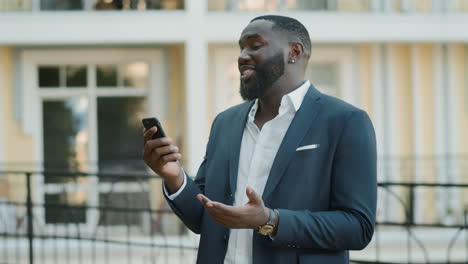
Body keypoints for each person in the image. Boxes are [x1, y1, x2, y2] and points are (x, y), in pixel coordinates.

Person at [143, 15, 377, 264]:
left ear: (294, 52)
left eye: (255, 45)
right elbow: (205, 217)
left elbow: (357, 227)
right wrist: (174, 177)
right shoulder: (226, 122)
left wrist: (271, 220)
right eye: (241, 47)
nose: (243, 56)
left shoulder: (345, 121)